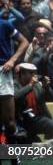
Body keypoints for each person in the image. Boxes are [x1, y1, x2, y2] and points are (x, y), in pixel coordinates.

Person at [0, 16, 29, 145]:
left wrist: (12, 60)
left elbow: (24, 42)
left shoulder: (4, 24)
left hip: (3, 71)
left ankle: (14, 155)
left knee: (9, 122)